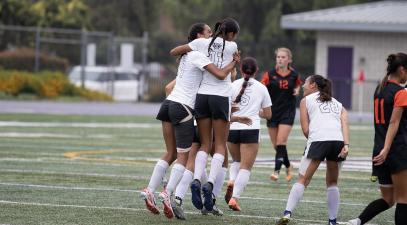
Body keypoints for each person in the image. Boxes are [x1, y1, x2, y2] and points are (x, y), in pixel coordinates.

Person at [140, 22, 239, 219]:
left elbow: (171, 76)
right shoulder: (199, 55)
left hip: (168, 105)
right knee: (184, 157)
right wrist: (233, 62)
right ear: (199, 36)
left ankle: (149, 190)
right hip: (183, 107)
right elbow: (220, 75)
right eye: (209, 32)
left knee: (170, 153)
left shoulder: (187, 55)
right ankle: (168, 194)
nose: (212, 36)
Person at [170, 17, 240, 212]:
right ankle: (209, 183)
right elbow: (229, 73)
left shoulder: (201, 42)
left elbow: (175, 51)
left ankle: (195, 179)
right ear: (233, 34)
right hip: (220, 96)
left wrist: (188, 50)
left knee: (204, 143)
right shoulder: (233, 46)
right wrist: (234, 63)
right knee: (219, 146)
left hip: (202, 95)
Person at [276, 75, 349, 225]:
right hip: (338, 142)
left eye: (305, 83)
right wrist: (346, 145)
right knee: (332, 183)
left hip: (318, 140)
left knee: (303, 179)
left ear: (313, 85)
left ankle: (287, 213)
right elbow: (345, 122)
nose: (303, 86)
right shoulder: (338, 103)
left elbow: (305, 130)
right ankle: (332, 221)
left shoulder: (305, 101)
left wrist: (317, 142)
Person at [347, 53, 407, 225]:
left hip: (378, 150)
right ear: (402, 69)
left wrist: (384, 149)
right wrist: (388, 149)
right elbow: (394, 122)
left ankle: (357, 221)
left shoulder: (379, 88)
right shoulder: (400, 92)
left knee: (388, 199)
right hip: (395, 150)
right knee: (404, 199)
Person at [224, 57, 272, 211]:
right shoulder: (261, 88)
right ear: (256, 71)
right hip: (251, 129)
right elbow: (268, 115)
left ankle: (231, 180)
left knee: (236, 161)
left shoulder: (232, 85)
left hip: (232, 128)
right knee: (246, 167)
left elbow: (226, 110)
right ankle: (234, 199)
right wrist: (256, 111)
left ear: (241, 69)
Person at [261, 47, 301, 182]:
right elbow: (261, 88)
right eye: (278, 57)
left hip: (287, 111)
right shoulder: (269, 74)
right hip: (272, 112)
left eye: (283, 57)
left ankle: (276, 171)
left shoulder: (294, 75)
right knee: (277, 146)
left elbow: (297, 85)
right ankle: (289, 166)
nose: (280, 59)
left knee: (281, 141)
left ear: (289, 60)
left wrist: (297, 90)